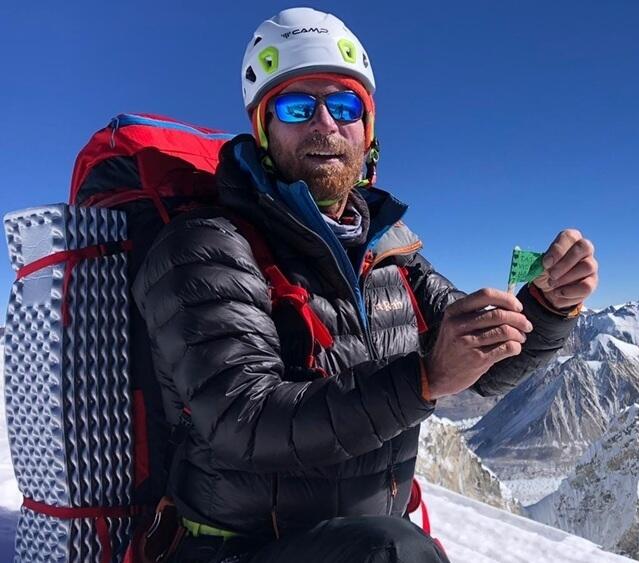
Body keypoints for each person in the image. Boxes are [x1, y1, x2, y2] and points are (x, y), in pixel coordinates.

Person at [132, 7, 599, 562]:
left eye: (345, 106)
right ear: (262, 130)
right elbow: (244, 421)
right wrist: (423, 377)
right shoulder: (205, 248)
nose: (325, 124)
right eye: (297, 106)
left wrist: (547, 307)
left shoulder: (391, 254)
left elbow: (481, 365)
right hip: (240, 549)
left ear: (367, 129)